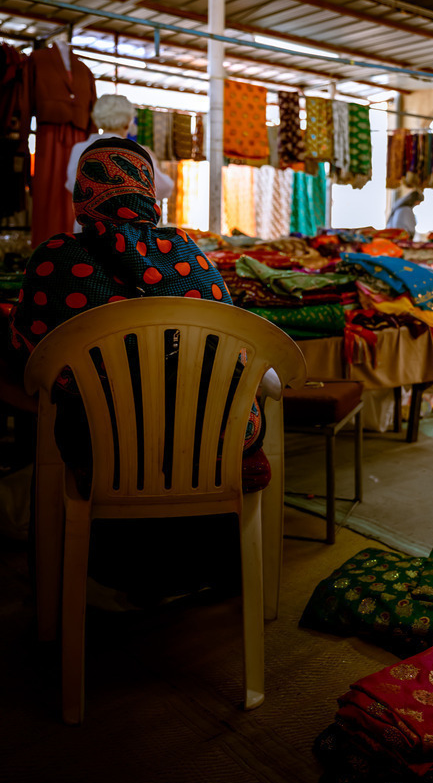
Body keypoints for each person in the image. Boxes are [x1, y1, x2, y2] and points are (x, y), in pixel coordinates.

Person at [9, 136, 262, 601]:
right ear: (149, 190)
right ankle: (208, 566)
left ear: (81, 193)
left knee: (66, 408)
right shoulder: (190, 253)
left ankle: (100, 571)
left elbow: (34, 359)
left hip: (108, 451)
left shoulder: (55, 258)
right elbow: (238, 348)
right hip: (211, 447)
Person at [65, 94, 174, 231]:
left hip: (88, 231)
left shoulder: (79, 148)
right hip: (130, 236)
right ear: (128, 121)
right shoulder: (137, 151)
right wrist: (153, 161)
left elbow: (72, 185)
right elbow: (164, 188)